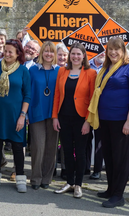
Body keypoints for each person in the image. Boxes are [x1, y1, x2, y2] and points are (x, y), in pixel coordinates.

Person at [87, 36, 129, 208]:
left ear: (123, 51)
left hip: (123, 121)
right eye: (110, 49)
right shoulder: (105, 68)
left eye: (116, 49)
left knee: (121, 159)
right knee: (109, 157)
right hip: (105, 120)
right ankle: (111, 189)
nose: (113, 52)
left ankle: (118, 195)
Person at [0, 39, 31, 193]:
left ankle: (20, 178)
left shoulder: (23, 70)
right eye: (5, 50)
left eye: (11, 51)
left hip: (15, 115)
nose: (7, 54)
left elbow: (27, 96)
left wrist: (22, 115)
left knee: (17, 147)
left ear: (18, 54)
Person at [52, 43, 96, 199]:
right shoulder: (62, 71)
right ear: (69, 56)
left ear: (84, 56)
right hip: (64, 117)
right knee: (67, 151)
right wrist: (55, 117)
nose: (76, 57)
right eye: (73, 54)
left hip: (81, 119)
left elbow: (92, 99)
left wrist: (87, 121)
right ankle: (69, 182)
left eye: (79, 54)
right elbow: (57, 95)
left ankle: (78, 184)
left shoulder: (90, 73)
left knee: (81, 152)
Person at [29, 41, 60, 190]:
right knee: (38, 147)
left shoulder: (60, 71)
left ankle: (47, 178)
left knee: (51, 147)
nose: (49, 54)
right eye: (46, 51)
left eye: (52, 52)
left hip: (54, 114)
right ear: (41, 53)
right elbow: (28, 92)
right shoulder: (32, 70)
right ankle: (35, 178)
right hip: (37, 112)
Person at [86, 52, 105, 180]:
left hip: (102, 108)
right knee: (86, 138)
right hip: (87, 106)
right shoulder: (87, 66)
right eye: (100, 49)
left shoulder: (109, 67)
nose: (103, 53)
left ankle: (97, 170)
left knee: (99, 140)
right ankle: (86, 167)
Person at [55, 42, 69, 179]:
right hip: (53, 110)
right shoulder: (53, 69)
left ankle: (65, 168)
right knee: (53, 141)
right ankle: (52, 167)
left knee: (65, 142)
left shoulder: (70, 71)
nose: (62, 58)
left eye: (65, 55)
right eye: (60, 54)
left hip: (66, 111)